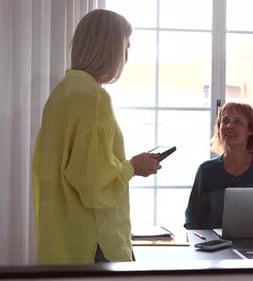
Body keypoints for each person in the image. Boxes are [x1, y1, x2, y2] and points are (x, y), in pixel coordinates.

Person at [32, 9, 162, 264]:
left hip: (61, 241)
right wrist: (133, 168)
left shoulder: (62, 93)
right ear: (111, 49)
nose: (127, 56)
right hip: (93, 243)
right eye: (126, 47)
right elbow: (93, 183)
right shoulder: (93, 99)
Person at [184, 102, 253, 229]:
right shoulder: (206, 170)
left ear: (250, 130)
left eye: (238, 122)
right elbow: (192, 218)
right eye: (225, 121)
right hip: (213, 246)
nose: (229, 126)